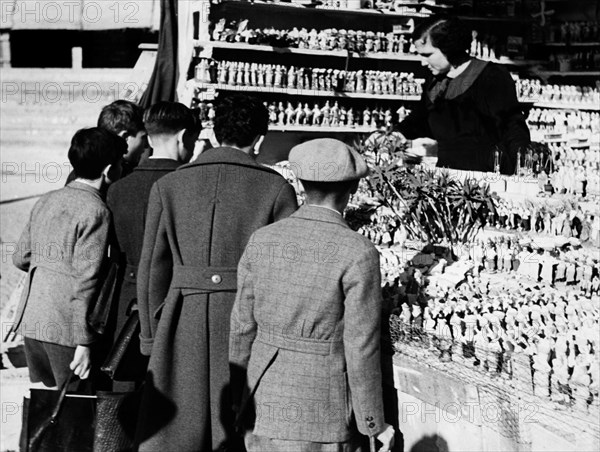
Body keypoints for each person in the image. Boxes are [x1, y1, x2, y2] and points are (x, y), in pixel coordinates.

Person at [135, 94, 298, 451]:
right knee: (236, 428)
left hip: (181, 317)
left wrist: (150, 336)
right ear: (258, 140)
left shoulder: (170, 185)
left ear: (213, 131)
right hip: (245, 320)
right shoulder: (276, 188)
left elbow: (152, 267)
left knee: (176, 429)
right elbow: (285, 274)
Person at [229, 138, 395, 452]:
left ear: (301, 185)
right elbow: (361, 345)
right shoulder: (358, 252)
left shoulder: (263, 239)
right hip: (323, 410)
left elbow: (241, 327)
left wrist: (238, 396)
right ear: (353, 190)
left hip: (261, 401)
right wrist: (373, 422)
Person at [11, 127, 126, 390]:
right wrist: (84, 342)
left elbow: (20, 258)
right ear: (110, 170)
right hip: (66, 329)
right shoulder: (96, 211)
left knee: (46, 410)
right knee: (74, 412)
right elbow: (86, 281)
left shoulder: (47, 199)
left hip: (33, 320)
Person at [105, 101, 201, 391]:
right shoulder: (191, 186)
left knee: (125, 392)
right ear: (184, 137)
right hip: (175, 299)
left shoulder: (118, 188)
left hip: (125, 301)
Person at [393, 18, 530, 174]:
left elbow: (512, 126)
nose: (423, 62)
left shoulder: (490, 76)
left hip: (487, 174)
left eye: (428, 55)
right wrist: (396, 134)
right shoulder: (435, 81)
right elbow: (421, 119)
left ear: (448, 48)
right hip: (448, 172)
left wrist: (523, 166)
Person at [66, 99, 147, 184]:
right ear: (125, 137)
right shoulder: (117, 177)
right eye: (143, 137)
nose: (146, 146)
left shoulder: (80, 174)